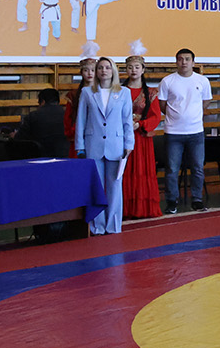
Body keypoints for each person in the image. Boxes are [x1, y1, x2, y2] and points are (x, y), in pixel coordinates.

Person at [73, 59, 135, 235]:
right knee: (96, 187)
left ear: (113, 70)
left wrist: (129, 144)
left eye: (107, 67)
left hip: (116, 145)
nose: (103, 70)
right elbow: (81, 120)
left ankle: (113, 225)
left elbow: (127, 120)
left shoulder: (124, 92)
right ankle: (97, 225)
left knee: (115, 186)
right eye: (100, 67)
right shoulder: (87, 92)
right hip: (93, 145)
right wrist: (80, 146)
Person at [155, 49, 212, 214]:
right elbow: (162, 105)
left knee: (198, 168)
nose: (184, 62)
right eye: (180, 59)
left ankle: (197, 199)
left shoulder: (202, 80)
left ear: (193, 62)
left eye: (187, 59)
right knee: (172, 169)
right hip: (173, 132)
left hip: (196, 132)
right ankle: (172, 201)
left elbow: (206, 101)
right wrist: (177, 116)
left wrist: (193, 115)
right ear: (176, 62)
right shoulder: (167, 81)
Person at [124, 56, 162, 221]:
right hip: (123, 137)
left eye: (137, 67)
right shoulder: (118, 90)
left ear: (143, 70)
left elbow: (156, 116)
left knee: (141, 171)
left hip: (142, 138)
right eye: (130, 67)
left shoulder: (151, 93)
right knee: (124, 171)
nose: (133, 70)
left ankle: (143, 209)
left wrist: (140, 124)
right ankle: (125, 208)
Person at [14, 88, 69, 158]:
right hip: (65, 157)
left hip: (40, 158)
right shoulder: (67, 115)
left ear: (42, 102)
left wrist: (14, 135)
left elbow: (20, 138)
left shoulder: (33, 116)